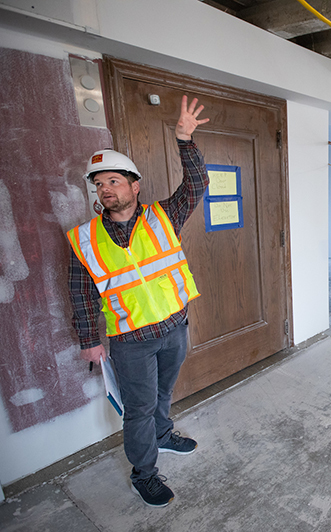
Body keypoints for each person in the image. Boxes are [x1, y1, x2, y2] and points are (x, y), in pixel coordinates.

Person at [67, 96, 210, 507]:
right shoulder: (85, 239)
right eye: (99, 184)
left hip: (174, 327)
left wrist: (184, 138)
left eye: (113, 181)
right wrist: (88, 341)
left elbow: (196, 184)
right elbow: (80, 292)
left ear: (134, 185)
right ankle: (143, 473)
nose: (106, 189)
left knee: (163, 393)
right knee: (139, 407)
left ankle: (164, 437)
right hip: (131, 339)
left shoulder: (164, 216)